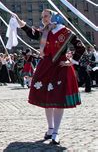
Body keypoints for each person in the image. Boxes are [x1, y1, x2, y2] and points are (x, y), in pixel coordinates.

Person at [15, 10, 85, 145]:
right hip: (46, 67)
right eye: (42, 17)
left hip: (60, 67)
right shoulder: (45, 32)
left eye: (46, 16)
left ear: (54, 16)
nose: (43, 19)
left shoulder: (65, 31)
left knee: (58, 100)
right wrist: (20, 22)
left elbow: (80, 47)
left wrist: (72, 61)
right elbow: (32, 33)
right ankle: (50, 128)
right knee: (48, 99)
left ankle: (56, 132)